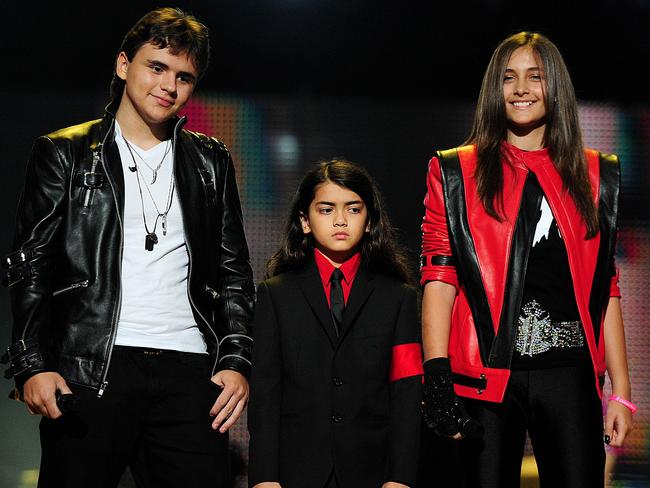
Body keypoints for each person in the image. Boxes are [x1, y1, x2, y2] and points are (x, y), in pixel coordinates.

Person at [2, 7, 254, 488]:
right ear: (123, 65)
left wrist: (236, 361)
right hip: (92, 365)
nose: (169, 85)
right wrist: (32, 364)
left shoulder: (210, 160)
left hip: (189, 369)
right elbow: (31, 264)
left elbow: (233, 272)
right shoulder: (66, 151)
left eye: (184, 76)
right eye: (156, 67)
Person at [419, 31, 635, 487]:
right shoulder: (455, 171)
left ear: (553, 85)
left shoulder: (598, 174)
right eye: (508, 78)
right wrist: (437, 375)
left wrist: (622, 391)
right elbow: (439, 275)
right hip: (486, 376)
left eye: (534, 77)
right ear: (493, 90)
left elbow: (606, 286)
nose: (520, 89)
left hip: (570, 372)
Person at [247, 160, 423, 488]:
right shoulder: (276, 295)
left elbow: (406, 392)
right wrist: (264, 477)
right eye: (326, 210)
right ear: (305, 221)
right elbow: (266, 394)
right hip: (294, 470)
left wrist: (400, 477)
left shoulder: (398, 298)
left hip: (372, 469)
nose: (340, 220)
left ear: (370, 220)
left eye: (353, 210)